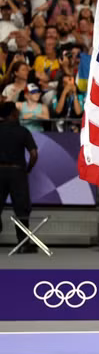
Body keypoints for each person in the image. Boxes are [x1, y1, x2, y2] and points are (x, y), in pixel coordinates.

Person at [0, 101, 37, 253]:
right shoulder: (22, 131)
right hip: (17, 172)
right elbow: (34, 154)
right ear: (12, 114)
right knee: (21, 209)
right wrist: (27, 169)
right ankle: (22, 243)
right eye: (16, 111)